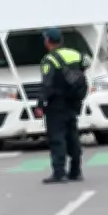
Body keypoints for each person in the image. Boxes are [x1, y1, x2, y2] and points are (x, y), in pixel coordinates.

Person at [37, 28, 90, 184]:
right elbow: (86, 63)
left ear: (47, 42)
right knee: (73, 136)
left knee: (57, 138)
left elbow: (47, 84)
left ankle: (59, 172)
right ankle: (76, 171)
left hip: (56, 104)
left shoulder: (49, 60)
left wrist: (40, 104)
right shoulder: (75, 54)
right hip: (73, 102)